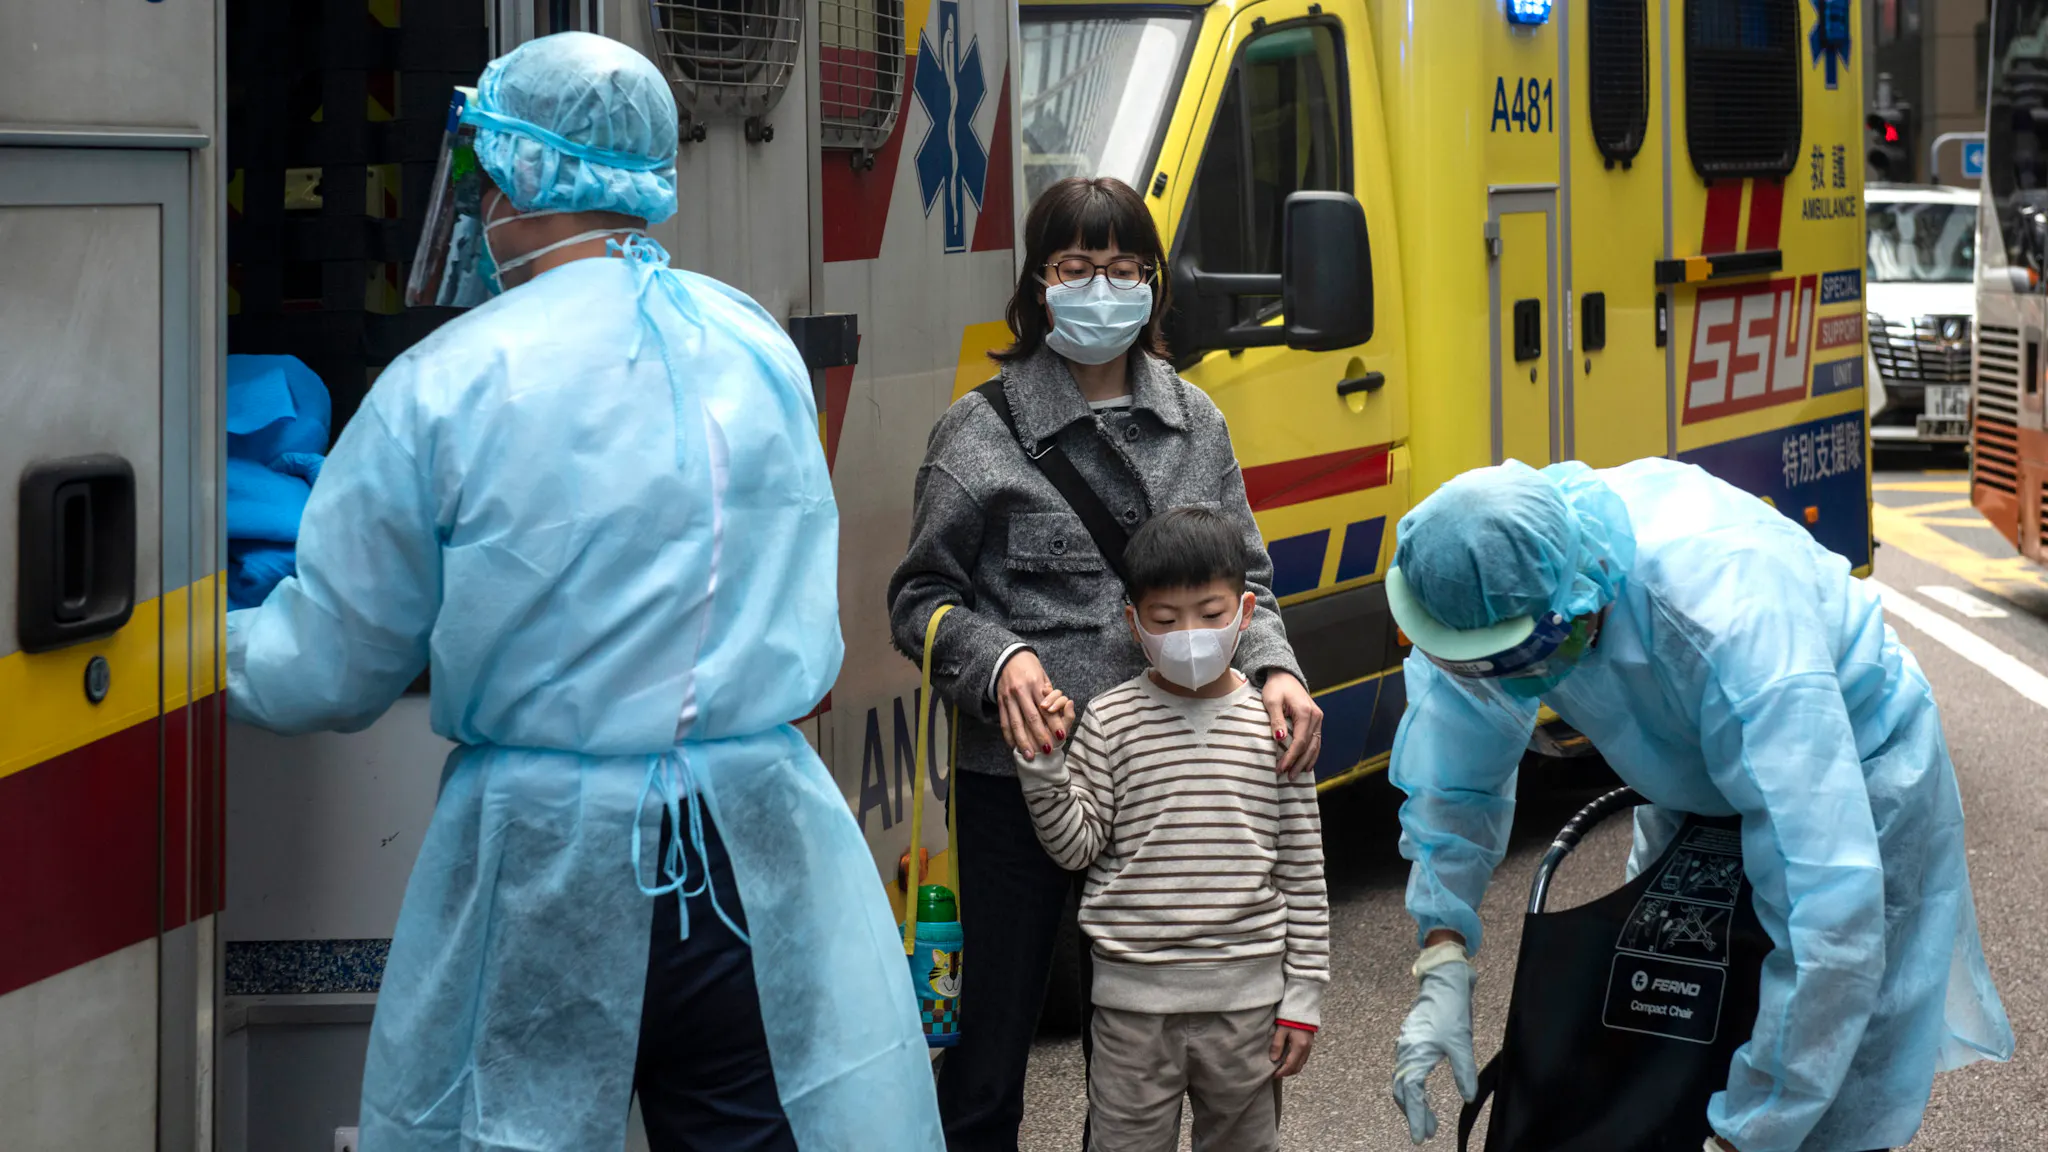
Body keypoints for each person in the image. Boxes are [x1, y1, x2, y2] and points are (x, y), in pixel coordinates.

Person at [226, 32, 942, 1152]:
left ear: (510, 179)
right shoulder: (753, 345)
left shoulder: (447, 381)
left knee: (515, 1127)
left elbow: (330, 665)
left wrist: (192, 646)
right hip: (754, 845)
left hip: (549, 860)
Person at [1381, 458, 2013, 1152]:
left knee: (1833, 1076)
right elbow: (1453, 773)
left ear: (1580, 598)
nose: (1519, 681)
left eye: (1530, 651)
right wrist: (1442, 954)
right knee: (1669, 1021)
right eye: (1493, 664)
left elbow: (1828, 916)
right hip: (1690, 782)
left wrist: (1754, 1131)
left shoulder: (1729, 616)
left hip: (1853, 772)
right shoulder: (1481, 594)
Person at [887, 176, 1323, 1151]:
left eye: (1124, 269)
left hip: (1168, 779)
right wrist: (998, 664)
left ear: (1154, 285)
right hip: (1018, 782)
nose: (1101, 288)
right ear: (1038, 284)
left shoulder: (1194, 424)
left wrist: (1276, 669)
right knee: (989, 1047)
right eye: (1076, 267)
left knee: (1136, 1046)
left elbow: (1243, 579)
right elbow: (916, 600)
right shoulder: (978, 428)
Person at [1018, 508, 1328, 1152]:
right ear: (1135, 623)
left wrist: (1303, 998)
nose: (1190, 633)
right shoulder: (1108, 720)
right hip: (1132, 1012)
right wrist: (1045, 765)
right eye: (1165, 619)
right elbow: (1076, 846)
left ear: (1246, 612)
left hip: (1249, 1010)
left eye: (1211, 614)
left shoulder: (1277, 726)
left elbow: (1302, 871)